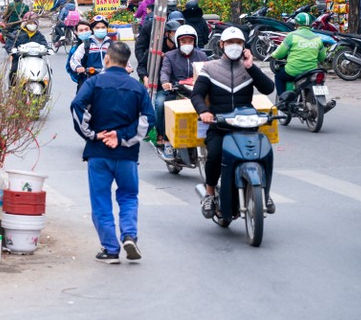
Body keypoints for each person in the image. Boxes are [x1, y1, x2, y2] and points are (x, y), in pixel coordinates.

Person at [70, 41, 156, 264]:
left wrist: (94, 135)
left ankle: (110, 249)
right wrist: (122, 136)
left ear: (107, 59)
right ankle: (129, 234)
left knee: (101, 200)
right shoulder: (138, 88)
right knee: (128, 196)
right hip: (127, 155)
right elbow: (149, 119)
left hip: (98, 153)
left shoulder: (94, 83)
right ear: (127, 63)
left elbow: (77, 107)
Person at [191, 27, 275, 219]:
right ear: (222, 45)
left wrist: (251, 66)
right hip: (220, 126)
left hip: (247, 127)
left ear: (244, 46)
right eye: (230, 43)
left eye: (238, 43)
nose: (234, 46)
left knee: (264, 153)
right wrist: (204, 112)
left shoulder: (249, 68)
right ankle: (210, 193)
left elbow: (268, 88)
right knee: (215, 154)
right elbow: (197, 94)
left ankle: (266, 193)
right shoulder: (210, 68)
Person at [154, 24, 209, 158]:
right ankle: (166, 140)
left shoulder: (202, 56)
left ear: (194, 41)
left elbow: (210, 70)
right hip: (175, 91)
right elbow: (165, 71)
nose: (187, 44)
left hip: (197, 91)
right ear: (178, 42)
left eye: (190, 41)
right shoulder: (169, 56)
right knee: (162, 105)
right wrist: (165, 83)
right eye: (183, 41)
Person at [270, 12, 327, 101]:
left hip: (293, 71)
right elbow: (322, 57)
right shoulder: (317, 38)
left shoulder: (291, 36)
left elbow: (279, 54)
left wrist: (273, 55)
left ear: (296, 24)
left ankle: (282, 100)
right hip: (311, 71)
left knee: (279, 77)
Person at [70, 15, 112, 90]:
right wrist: (78, 67)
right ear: (92, 29)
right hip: (90, 79)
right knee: (82, 99)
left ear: (107, 28)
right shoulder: (86, 45)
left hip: (109, 78)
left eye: (103, 27)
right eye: (97, 28)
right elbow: (74, 59)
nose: (100, 29)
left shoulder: (112, 45)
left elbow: (122, 59)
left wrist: (127, 67)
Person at [6, 12, 50, 84]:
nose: (32, 25)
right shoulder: (18, 33)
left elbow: (45, 44)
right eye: (30, 22)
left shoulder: (39, 35)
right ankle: (12, 88)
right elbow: (10, 43)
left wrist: (48, 49)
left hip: (36, 59)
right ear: (25, 23)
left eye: (34, 23)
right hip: (20, 58)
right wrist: (12, 49)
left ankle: (46, 89)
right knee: (14, 70)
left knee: (47, 70)